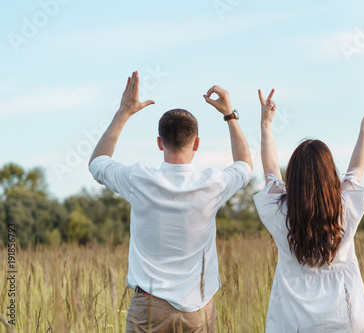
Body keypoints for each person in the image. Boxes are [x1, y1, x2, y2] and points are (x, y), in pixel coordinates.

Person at [88, 71, 253, 332]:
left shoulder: (138, 179)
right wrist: (229, 114)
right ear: (196, 143)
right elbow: (244, 166)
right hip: (197, 310)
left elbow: (97, 163)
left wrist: (124, 112)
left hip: (148, 308)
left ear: (159, 142)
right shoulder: (213, 184)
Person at [253, 89, 364, 332]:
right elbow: (356, 168)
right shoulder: (347, 208)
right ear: (331, 173)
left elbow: (270, 172)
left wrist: (266, 125)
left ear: (293, 177)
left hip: (293, 321)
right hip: (348, 318)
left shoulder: (278, 212)